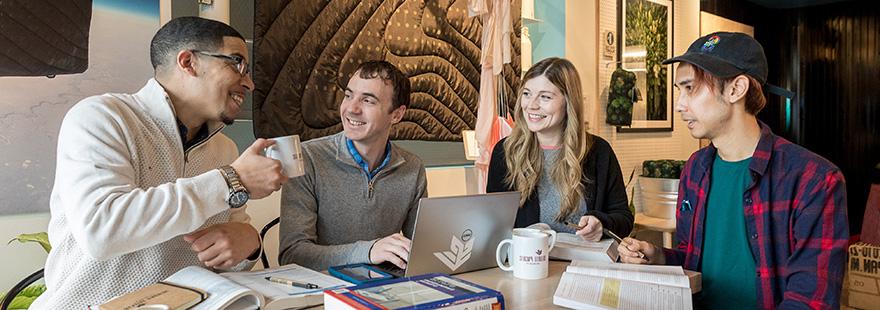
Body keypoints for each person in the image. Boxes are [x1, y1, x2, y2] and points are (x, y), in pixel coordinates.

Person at [32, 16, 288, 309]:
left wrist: (249, 244)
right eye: (237, 63)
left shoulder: (225, 150)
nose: (249, 83)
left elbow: (226, 262)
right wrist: (231, 180)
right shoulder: (101, 117)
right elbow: (101, 231)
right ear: (188, 62)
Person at [617, 32, 848, 309]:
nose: (680, 105)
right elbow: (695, 259)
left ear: (736, 89)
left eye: (690, 88)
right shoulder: (695, 168)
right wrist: (658, 257)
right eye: (680, 90)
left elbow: (811, 300)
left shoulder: (814, 179)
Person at [279, 60, 427, 271]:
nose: (351, 108)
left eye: (368, 100)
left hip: (387, 290)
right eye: (348, 96)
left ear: (396, 114)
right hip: (326, 291)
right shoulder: (307, 158)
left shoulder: (413, 167)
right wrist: (368, 251)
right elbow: (292, 255)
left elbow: (421, 251)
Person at [486, 57, 633, 240]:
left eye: (545, 97)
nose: (531, 105)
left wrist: (601, 223)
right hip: (529, 264)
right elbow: (493, 223)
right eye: (527, 93)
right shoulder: (505, 152)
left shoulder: (599, 152)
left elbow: (623, 218)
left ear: (569, 102)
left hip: (583, 264)